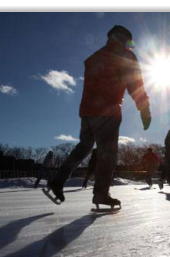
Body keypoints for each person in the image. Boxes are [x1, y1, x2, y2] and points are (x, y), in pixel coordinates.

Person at [46, 25, 152, 209]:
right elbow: (135, 84)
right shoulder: (125, 55)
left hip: (87, 112)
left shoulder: (96, 56)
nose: (130, 46)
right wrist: (144, 109)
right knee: (107, 153)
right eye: (129, 42)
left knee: (83, 148)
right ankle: (101, 194)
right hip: (108, 110)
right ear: (123, 39)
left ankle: (58, 180)